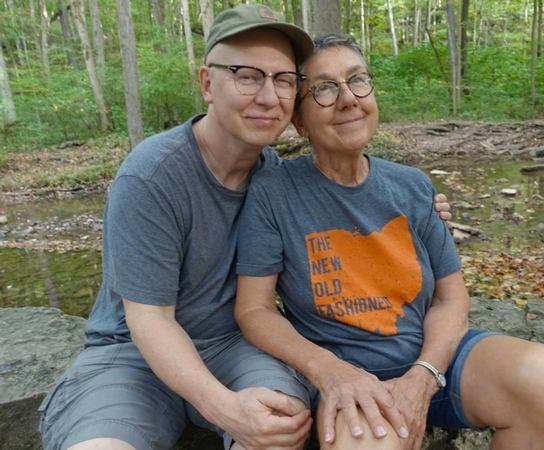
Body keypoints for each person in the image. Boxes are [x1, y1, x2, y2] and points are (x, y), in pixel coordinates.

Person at [38, 5, 452, 450]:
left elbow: (347, 214)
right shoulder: (152, 176)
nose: (269, 97)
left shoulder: (273, 176)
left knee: (280, 430)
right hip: (132, 355)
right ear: (207, 83)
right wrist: (225, 409)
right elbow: (150, 320)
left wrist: (426, 213)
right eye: (247, 76)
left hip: (236, 349)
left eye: (283, 80)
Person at [234, 33, 544, 450]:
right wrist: (328, 371)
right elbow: (254, 310)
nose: (348, 98)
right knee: (372, 441)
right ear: (299, 120)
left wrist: (424, 375)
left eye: (357, 80)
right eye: (325, 89)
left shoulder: (412, 187)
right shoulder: (274, 193)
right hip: (344, 378)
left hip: (436, 360)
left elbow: (451, 299)